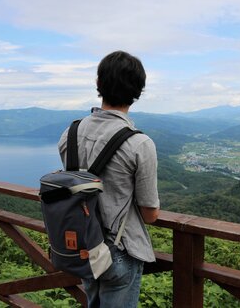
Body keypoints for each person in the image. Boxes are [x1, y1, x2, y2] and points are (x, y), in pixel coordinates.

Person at [58, 50, 160, 308]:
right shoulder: (139, 144)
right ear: (138, 91)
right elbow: (150, 214)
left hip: (83, 245)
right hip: (118, 250)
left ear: (99, 85)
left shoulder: (69, 133)